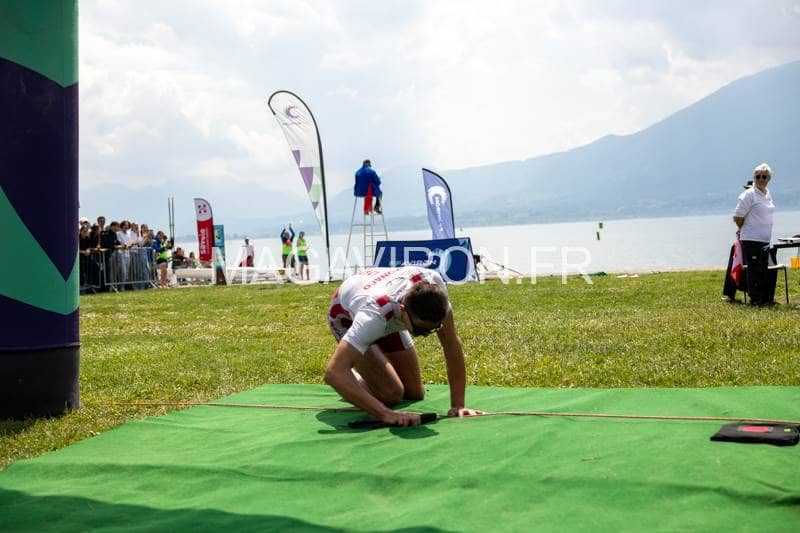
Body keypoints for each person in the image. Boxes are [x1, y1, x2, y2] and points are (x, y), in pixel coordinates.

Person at [324, 266, 482, 426]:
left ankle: (372, 370)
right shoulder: (373, 316)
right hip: (347, 315)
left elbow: (451, 342)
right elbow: (334, 373)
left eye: (435, 327)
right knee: (391, 394)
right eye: (421, 330)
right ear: (403, 311)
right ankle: (355, 376)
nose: (427, 334)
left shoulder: (435, 286)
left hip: (383, 301)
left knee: (414, 393)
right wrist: (386, 414)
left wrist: (458, 405)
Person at [733, 163, 777, 306]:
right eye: (758, 176)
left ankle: (765, 298)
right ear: (754, 178)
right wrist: (746, 228)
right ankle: (755, 300)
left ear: (769, 178)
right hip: (751, 239)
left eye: (764, 177)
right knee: (754, 270)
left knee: (764, 269)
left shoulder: (767, 194)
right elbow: (738, 216)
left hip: (764, 239)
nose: (761, 179)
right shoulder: (748, 195)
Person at [722, 179, 754, 301]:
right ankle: (730, 293)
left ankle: (732, 293)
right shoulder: (747, 202)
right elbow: (738, 218)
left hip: (747, 240)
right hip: (743, 241)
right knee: (735, 263)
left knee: (737, 264)